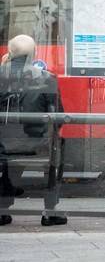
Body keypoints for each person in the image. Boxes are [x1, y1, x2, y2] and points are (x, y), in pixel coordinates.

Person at [0, 35, 67, 226]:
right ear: (33, 54)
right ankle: (50, 211)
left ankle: (2, 208)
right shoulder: (47, 78)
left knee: (7, 156)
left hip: (2, 146)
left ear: (10, 52)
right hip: (35, 144)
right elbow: (58, 117)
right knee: (58, 146)